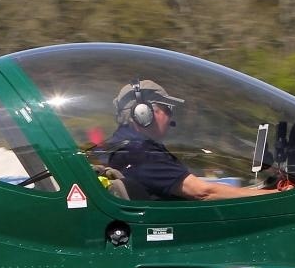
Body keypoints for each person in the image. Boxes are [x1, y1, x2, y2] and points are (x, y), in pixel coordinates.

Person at [99, 79, 282, 201]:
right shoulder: (141, 154)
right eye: (167, 109)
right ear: (143, 113)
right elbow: (203, 192)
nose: (171, 118)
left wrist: (256, 190)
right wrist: (276, 196)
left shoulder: (117, 147)